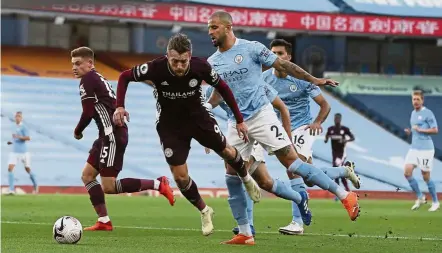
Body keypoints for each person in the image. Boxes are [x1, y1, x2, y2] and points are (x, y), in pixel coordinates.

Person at [206, 11, 360, 245]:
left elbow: (283, 65)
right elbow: (217, 95)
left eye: (214, 27)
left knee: (294, 164)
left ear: (228, 27)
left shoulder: (251, 48)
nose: (210, 32)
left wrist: (313, 80)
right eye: (209, 28)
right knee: (232, 175)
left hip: (261, 116)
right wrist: (205, 110)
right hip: (235, 124)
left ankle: (345, 195)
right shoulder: (212, 62)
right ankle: (246, 233)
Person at [113, 33, 261, 236]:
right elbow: (124, 76)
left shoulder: (201, 67)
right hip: (170, 126)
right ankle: (204, 209)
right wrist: (119, 106)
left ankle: (246, 177)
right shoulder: (156, 68)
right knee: (180, 178)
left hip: (198, 119)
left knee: (227, 151)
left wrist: (240, 120)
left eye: (184, 61)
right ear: (167, 56)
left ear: (190, 56)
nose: (180, 66)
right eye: (175, 61)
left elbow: (223, 88)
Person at [71, 46, 175, 231]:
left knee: (109, 186)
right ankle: (103, 221)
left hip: (111, 135)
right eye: (73, 64)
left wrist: (78, 131)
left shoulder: (87, 80)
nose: (75, 68)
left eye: (78, 64)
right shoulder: (96, 78)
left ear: (90, 63)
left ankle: (159, 184)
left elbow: (87, 112)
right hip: (106, 135)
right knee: (87, 175)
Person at [263, 39, 360, 235]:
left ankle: (297, 222)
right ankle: (342, 171)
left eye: (280, 53)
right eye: (273, 53)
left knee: (294, 169)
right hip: (281, 130)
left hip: (302, 127)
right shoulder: (264, 79)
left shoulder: (301, 78)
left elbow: (325, 105)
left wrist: (317, 122)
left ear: (288, 57)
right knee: (308, 178)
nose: (276, 57)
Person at [205, 83, 311, 237]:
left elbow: (282, 107)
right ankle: (299, 198)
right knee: (265, 182)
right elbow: (205, 112)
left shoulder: (253, 83)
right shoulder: (212, 90)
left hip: (253, 131)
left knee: (240, 174)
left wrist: (287, 140)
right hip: (235, 131)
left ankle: (247, 226)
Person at [403, 90, 439, 212]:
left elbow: (435, 130)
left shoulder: (428, 113)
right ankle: (420, 197)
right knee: (407, 172)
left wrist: (420, 130)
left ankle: (435, 202)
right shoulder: (413, 113)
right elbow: (415, 130)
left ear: (422, 100)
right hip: (414, 148)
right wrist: (410, 132)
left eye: (418, 99)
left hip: (426, 149)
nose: (416, 101)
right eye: (414, 99)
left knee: (426, 176)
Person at [6, 111, 38, 194]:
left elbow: (28, 138)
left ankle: (35, 185)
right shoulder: (13, 127)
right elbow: (14, 139)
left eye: (19, 116)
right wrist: (11, 142)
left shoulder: (24, 127)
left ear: (21, 118)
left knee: (27, 169)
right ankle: (11, 189)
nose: (17, 118)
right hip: (14, 151)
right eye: (16, 116)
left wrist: (19, 137)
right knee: (10, 168)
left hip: (23, 152)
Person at [325, 113, 356, 192]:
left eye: (338, 119)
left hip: (342, 153)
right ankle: (343, 191)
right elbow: (326, 137)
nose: (336, 120)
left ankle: (342, 191)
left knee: (337, 169)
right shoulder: (330, 129)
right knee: (337, 171)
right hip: (334, 154)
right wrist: (326, 139)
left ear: (340, 119)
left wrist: (345, 140)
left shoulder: (344, 129)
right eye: (335, 119)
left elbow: (353, 137)